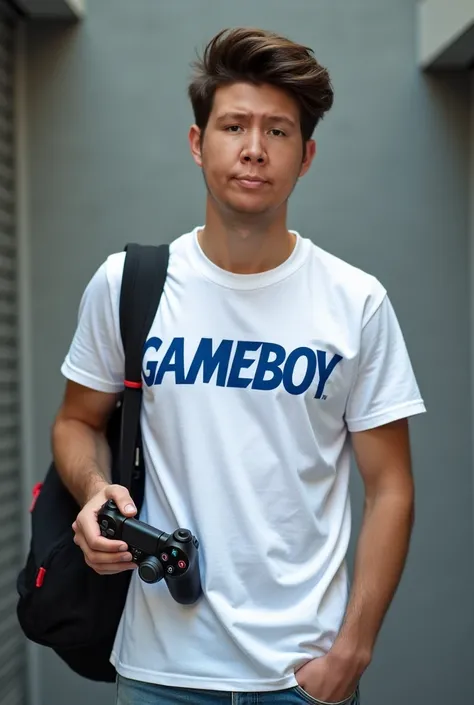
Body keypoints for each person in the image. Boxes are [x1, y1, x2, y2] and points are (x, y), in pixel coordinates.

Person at [52, 27, 426, 705]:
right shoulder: (128, 285)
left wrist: (354, 648)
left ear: (306, 156)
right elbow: (77, 421)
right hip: (159, 671)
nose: (254, 148)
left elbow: (391, 485)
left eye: (278, 131)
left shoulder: (355, 303)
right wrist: (93, 492)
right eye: (234, 125)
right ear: (198, 143)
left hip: (301, 678)